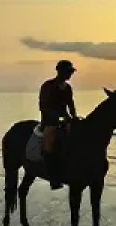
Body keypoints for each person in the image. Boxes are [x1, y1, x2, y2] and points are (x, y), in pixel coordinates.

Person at [39, 59, 78, 189]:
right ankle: (53, 177)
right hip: (50, 121)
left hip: (65, 120)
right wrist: (60, 118)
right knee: (50, 143)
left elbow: (71, 105)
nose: (70, 75)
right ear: (60, 72)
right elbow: (43, 107)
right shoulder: (48, 86)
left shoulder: (68, 88)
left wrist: (74, 117)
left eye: (70, 72)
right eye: (68, 72)